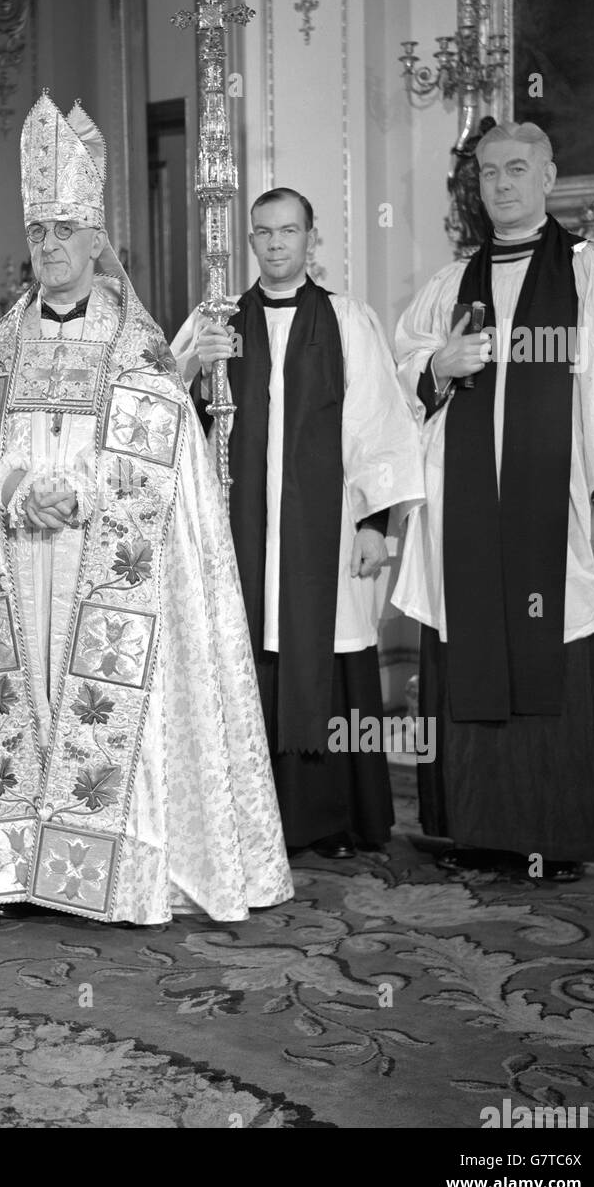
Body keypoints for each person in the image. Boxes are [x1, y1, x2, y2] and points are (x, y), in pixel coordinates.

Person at [0, 92, 293, 924]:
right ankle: (7, 870)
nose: (50, 248)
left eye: (65, 233)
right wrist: (14, 489)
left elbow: (164, 448)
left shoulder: (135, 346)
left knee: (96, 706)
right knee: (15, 705)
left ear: (96, 240)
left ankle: (101, 879)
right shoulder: (2, 342)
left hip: (99, 557)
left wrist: (83, 490)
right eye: (38, 233)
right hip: (14, 556)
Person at [394, 120, 594, 881]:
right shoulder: (448, 285)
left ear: (548, 174)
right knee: (472, 650)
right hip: (466, 514)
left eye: (517, 169)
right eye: (489, 172)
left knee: (551, 654)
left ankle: (552, 836)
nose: (500, 184)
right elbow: (397, 376)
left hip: (561, 510)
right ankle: (478, 827)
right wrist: (439, 363)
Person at [173, 188, 424, 858]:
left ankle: (331, 819)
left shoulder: (346, 319)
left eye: (290, 231)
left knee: (329, 654)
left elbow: (378, 425)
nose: (277, 244)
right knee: (250, 651)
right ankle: (246, 818)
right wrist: (201, 362)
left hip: (327, 530)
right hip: (240, 532)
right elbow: (164, 415)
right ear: (250, 241)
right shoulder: (216, 318)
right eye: (264, 233)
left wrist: (377, 522)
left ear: (312, 239)